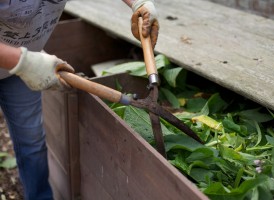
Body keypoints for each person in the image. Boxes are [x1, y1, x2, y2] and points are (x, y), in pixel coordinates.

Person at [0, 0, 159, 199]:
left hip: (23, 66)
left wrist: (138, 2)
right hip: (24, 62)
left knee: (31, 142)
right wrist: (22, 62)